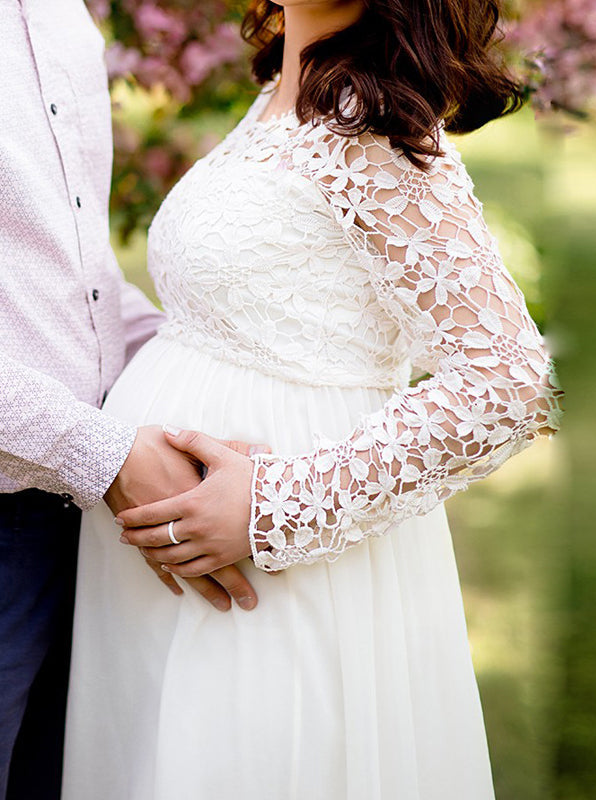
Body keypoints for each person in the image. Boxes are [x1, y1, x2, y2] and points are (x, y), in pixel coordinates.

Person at [62, 0, 562, 797]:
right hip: (165, 584)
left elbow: (504, 379)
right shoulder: (282, 97)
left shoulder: (372, 131)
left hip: (269, 581)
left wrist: (274, 506)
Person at [0, 3, 259, 798]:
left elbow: (74, 273)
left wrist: (222, 392)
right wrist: (104, 452)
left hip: (85, 529)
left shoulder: (58, 13)